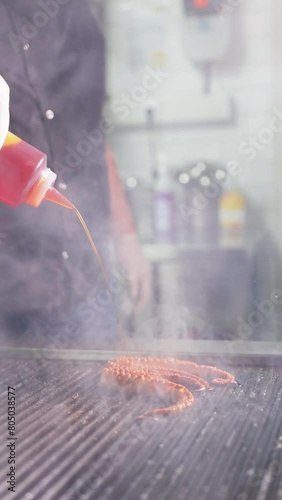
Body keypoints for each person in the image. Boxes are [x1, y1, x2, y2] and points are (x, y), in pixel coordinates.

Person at [0, 0, 151, 348]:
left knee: (103, 399)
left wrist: (127, 238)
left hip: (88, 282)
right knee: (14, 404)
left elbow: (93, 132)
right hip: (14, 295)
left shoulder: (79, 16)